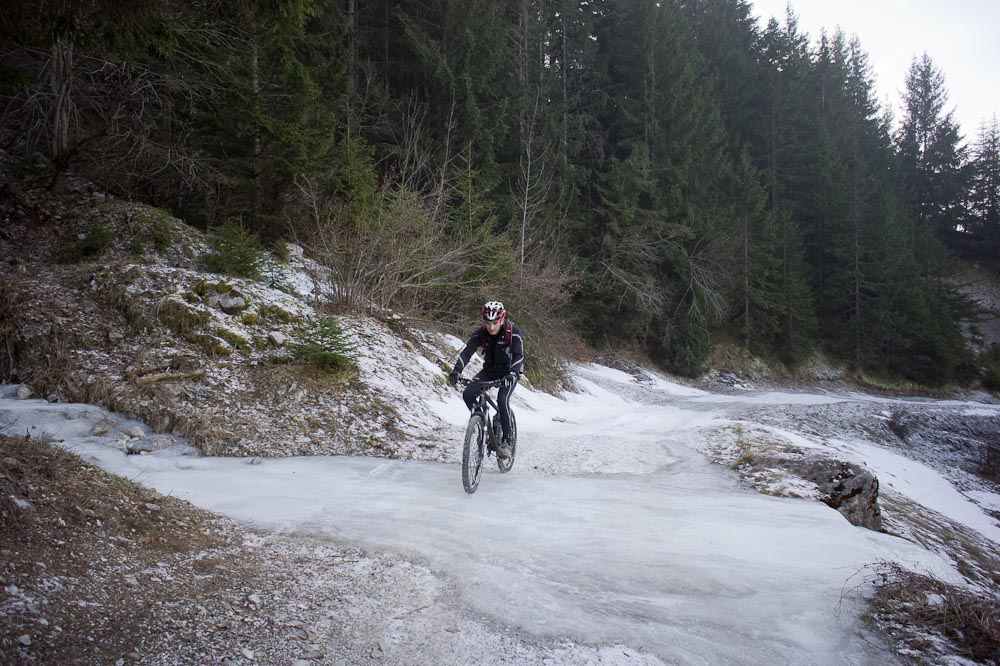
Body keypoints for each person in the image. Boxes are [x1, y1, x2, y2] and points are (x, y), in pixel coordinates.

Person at [447, 300, 524, 459]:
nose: (491, 327)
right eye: (488, 323)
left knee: (502, 400)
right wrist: (456, 371)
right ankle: (481, 421)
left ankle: (507, 442)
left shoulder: (512, 331)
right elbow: (467, 352)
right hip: (489, 371)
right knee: (468, 394)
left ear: (502, 319)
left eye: (495, 323)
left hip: (509, 372)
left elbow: (519, 356)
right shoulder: (481, 333)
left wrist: (513, 373)